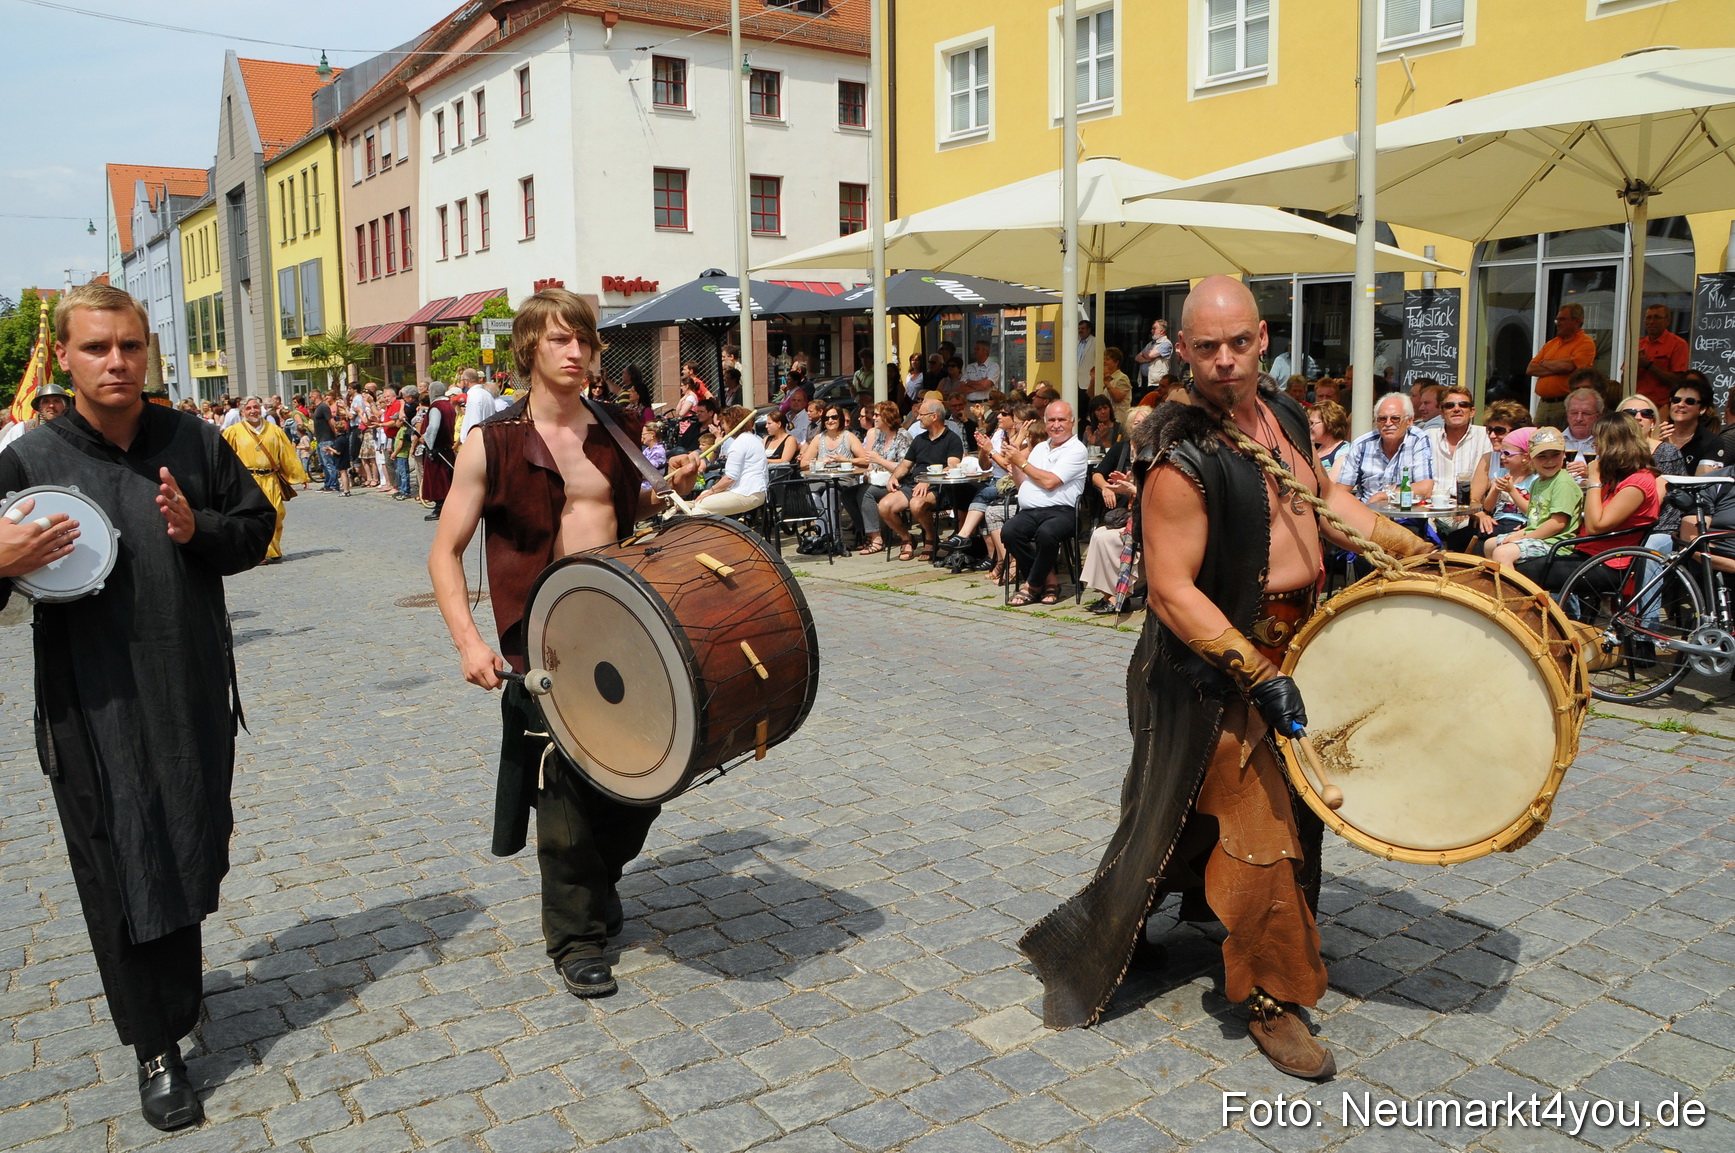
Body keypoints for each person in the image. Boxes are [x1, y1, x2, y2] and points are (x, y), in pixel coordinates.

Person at [1019, 276, 1434, 1080]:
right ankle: (1273, 994)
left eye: (1236, 342)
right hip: (1208, 672)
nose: (1222, 360)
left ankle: (1133, 918)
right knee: (1259, 830)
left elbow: (1325, 500)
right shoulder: (1181, 460)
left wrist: (1410, 546)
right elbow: (1172, 591)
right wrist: (1256, 673)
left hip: (1292, 647)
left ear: (1262, 338)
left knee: (1202, 813)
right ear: (1182, 351)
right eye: (1204, 346)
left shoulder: (1277, 419)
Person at [0, 284, 273, 1129]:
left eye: (128, 345)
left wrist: (200, 532)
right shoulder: (27, 461)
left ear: (147, 348)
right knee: (116, 859)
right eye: (96, 348)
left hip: (186, 685)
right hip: (89, 706)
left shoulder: (193, 439)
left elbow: (254, 528)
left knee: (186, 838)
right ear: (66, 359)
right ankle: (153, 1048)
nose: (115, 361)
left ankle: (179, 998)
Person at [430, 288, 696, 1004]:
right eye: (559, 340)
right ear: (528, 350)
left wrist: (667, 490)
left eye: (584, 339)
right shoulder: (493, 442)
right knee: (567, 787)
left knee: (651, 771)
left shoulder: (616, 428)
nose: (577, 351)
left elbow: (628, 511)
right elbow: (444, 551)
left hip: (625, 624)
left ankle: (598, 880)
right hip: (543, 639)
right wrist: (468, 641)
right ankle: (575, 937)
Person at [1003, 401, 1090, 607]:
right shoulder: (1040, 448)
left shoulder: (1076, 450)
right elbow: (1022, 482)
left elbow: (1050, 482)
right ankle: (1049, 580)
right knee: (1009, 531)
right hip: (1030, 510)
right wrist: (1016, 463)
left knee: (1047, 533)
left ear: (1072, 422)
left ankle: (1032, 585)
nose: (1056, 425)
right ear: (1045, 422)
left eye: (1061, 420)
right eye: (1051, 420)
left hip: (1062, 512)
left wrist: (1022, 462)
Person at [222, 396, 308, 562]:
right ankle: (258, 552)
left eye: (255, 407)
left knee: (276, 514)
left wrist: (299, 475)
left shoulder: (274, 430)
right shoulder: (233, 432)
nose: (253, 411)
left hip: (270, 479)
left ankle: (272, 548)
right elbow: (225, 458)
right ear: (242, 411)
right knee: (252, 518)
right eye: (249, 408)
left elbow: (286, 455)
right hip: (248, 482)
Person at [878, 398, 963, 561]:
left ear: (934, 416)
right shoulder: (919, 439)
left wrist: (928, 480)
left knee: (916, 504)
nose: (917, 418)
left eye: (921, 414)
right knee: (884, 506)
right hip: (915, 485)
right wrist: (893, 477)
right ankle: (906, 538)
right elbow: (905, 465)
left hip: (940, 488)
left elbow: (952, 466)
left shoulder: (952, 439)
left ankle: (930, 539)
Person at [1486, 427, 1583, 569]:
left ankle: (1514, 591)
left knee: (1502, 553)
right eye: (1542, 456)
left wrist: (1522, 538)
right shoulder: (1538, 482)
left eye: (1555, 454)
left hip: (1554, 542)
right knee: (1489, 545)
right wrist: (1518, 534)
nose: (1549, 461)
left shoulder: (1563, 483)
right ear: (1530, 458)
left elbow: (1557, 524)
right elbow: (1534, 520)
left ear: (1564, 454)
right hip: (1538, 537)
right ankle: (1495, 585)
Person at [1336, 394, 1437, 506]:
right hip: (1368, 514)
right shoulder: (1361, 444)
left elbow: (1425, 487)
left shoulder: (1418, 439)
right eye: (1382, 419)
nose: (1388, 423)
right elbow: (1342, 491)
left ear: (1409, 421)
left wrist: (1382, 496)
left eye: (1395, 418)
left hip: (1406, 516)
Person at [855, 401, 911, 556]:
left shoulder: (902, 436)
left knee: (866, 493)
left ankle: (877, 537)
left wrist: (879, 460)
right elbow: (872, 462)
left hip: (898, 483)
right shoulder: (880, 436)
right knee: (849, 494)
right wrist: (868, 472)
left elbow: (904, 468)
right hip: (880, 480)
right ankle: (868, 532)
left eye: (877, 414)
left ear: (887, 416)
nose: (873, 418)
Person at [691, 405, 768, 517]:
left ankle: (704, 534)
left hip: (747, 493)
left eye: (724, 423)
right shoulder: (751, 439)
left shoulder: (738, 444)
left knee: (701, 505)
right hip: (754, 492)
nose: (722, 427)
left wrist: (712, 490)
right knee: (704, 496)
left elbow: (730, 478)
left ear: (732, 423)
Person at [1527, 302, 1596, 427]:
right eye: (1557, 320)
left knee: (1562, 441)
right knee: (1537, 441)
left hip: (1564, 404)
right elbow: (1531, 369)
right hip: (1543, 404)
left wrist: (1544, 363)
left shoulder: (1585, 343)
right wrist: (1555, 366)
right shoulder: (1551, 344)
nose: (1558, 323)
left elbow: (1568, 366)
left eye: (1562, 319)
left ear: (1576, 321)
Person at [1635, 303, 1689, 412]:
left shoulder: (1678, 344)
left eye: (1657, 317)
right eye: (1648, 318)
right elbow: (1623, 377)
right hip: (1637, 405)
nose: (1651, 321)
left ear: (1667, 321)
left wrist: (1649, 366)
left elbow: (1678, 380)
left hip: (1662, 407)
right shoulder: (1638, 344)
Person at [1666, 372, 1718, 473]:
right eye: (1676, 400)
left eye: (1689, 401)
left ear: (1702, 409)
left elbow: (1702, 484)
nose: (1680, 405)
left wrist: (1668, 451)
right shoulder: (1656, 436)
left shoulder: (1711, 442)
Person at [0, 380, 71, 452]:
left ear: (65, 406)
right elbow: (4, 458)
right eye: (46, 401)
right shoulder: (23, 429)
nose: (51, 405)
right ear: (39, 407)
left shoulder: (73, 431)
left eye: (56, 401)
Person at [1309, 399, 1351, 483]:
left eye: (1312, 423)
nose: (1310, 427)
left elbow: (1331, 486)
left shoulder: (1344, 451)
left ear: (1329, 423)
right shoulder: (1316, 450)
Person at [1134, 319, 1173, 393]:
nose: (1152, 331)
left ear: (1162, 331)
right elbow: (1137, 357)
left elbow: (1151, 354)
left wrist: (1145, 355)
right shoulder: (1150, 344)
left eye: (1154, 328)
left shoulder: (1166, 343)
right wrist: (1147, 359)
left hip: (1157, 383)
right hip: (1145, 381)